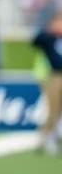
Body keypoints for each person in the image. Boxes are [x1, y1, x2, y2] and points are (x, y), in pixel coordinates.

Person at [31, 13, 62, 155]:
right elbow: (35, 41)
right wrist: (49, 30)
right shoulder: (49, 38)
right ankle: (46, 137)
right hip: (54, 75)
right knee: (53, 108)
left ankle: (54, 135)